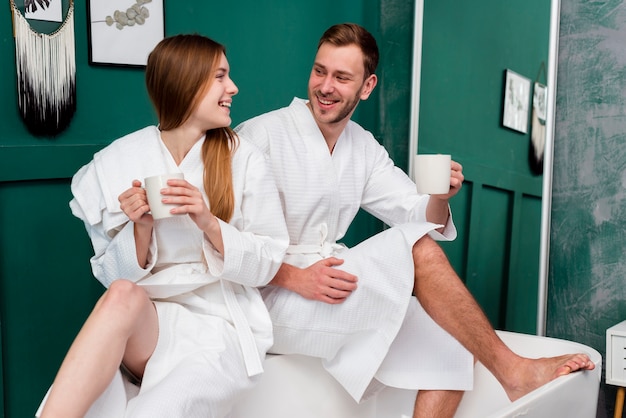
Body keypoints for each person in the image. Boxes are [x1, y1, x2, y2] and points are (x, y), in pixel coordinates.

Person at [235, 23, 594, 417]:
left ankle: (510, 369)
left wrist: (438, 198)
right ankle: (513, 370)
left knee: (457, 345)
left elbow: (416, 213)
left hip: (330, 281)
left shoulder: (362, 146)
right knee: (416, 249)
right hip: (274, 296)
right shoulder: (258, 136)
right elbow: (225, 242)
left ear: (367, 86)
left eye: (342, 77)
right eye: (320, 71)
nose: (325, 86)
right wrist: (296, 277)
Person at [38, 34, 288, 418]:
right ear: (187, 82)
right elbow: (110, 275)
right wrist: (141, 228)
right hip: (149, 324)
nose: (233, 88)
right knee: (121, 293)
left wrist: (207, 221)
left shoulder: (245, 158)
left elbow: (267, 263)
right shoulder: (119, 159)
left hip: (218, 325)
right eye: (220, 77)